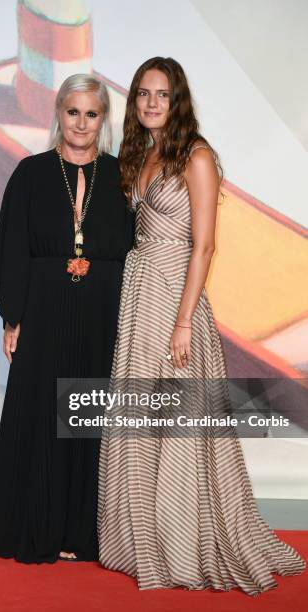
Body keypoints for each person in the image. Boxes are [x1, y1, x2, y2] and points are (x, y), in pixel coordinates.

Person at [97, 57, 306, 595]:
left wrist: (185, 320)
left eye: (161, 95)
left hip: (176, 299)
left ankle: (186, 540)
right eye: (142, 93)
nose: (149, 103)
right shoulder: (140, 154)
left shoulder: (197, 156)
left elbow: (204, 244)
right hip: (140, 294)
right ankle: (139, 537)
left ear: (178, 99)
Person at [0, 74, 133, 563]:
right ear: (58, 113)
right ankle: (13, 530)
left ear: (103, 120)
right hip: (41, 308)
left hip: (101, 312)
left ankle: (76, 533)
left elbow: (134, 251)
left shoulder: (121, 176)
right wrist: (12, 317)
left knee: (83, 417)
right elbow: (13, 246)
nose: (81, 123)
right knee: (36, 413)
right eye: (72, 112)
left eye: (92, 114)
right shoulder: (31, 172)